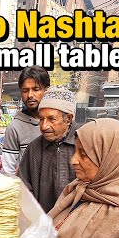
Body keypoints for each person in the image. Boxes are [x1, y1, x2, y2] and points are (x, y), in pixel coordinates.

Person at [18, 85, 78, 213]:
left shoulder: (84, 145)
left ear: (69, 119)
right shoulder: (34, 148)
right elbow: (23, 187)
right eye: (41, 119)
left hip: (76, 225)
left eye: (51, 119)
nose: (44, 126)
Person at [1, 65, 50, 174]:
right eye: (25, 90)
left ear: (46, 91)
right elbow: (8, 171)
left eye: (36, 89)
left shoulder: (57, 123)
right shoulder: (15, 128)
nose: (30, 95)